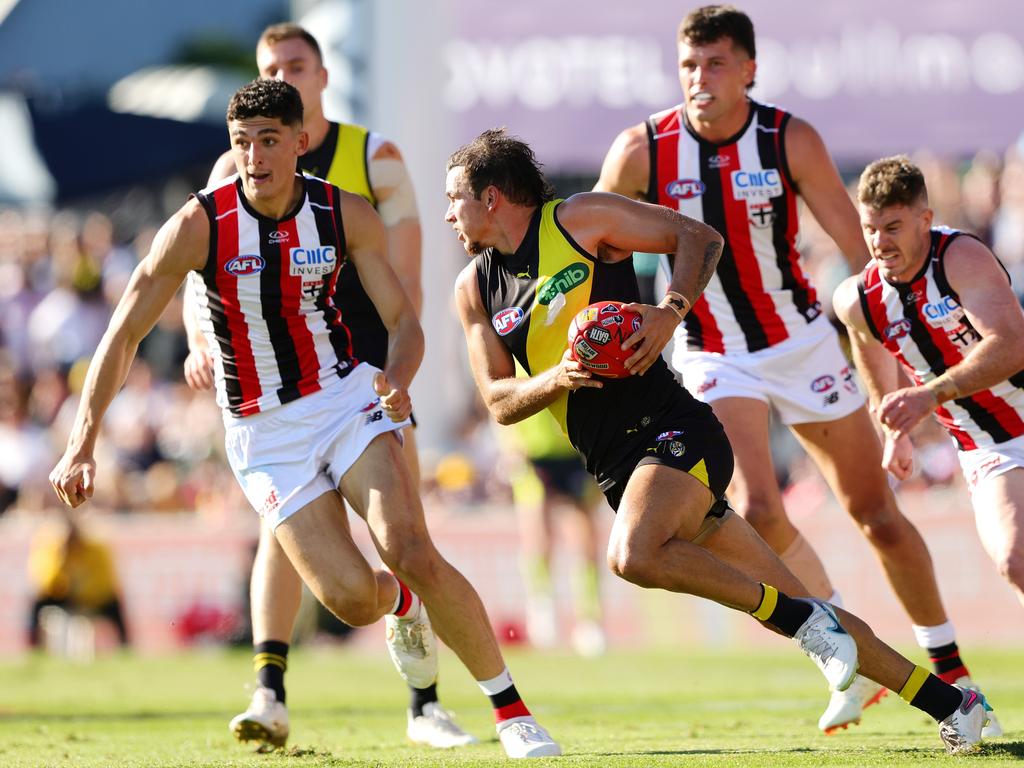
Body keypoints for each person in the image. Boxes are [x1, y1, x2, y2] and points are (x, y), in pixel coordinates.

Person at [50, 79, 560, 759]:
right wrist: (82, 442)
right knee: (350, 600)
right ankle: (405, 611)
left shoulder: (344, 212)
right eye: (241, 143)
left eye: (267, 140)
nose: (254, 157)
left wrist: (398, 383)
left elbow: (404, 322)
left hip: (345, 401)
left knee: (408, 547)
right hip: (263, 434)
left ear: (299, 142)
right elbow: (123, 334)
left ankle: (513, 712)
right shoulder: (199, 224)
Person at [448, 127, 990, 755]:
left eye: (454, 198)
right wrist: (558, 377)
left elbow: (698, 237)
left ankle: (804, 623)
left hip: (677, 431)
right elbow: (498, 401)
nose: (447, 213)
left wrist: (668, 311)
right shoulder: (474, 289)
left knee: (633, 556)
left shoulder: (580, 218)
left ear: (491, 198)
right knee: (799, 597)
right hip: (616, 465)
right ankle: (953, 703)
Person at [593, 4, 994, 735]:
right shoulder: (641, 148)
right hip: (712, 350)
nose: (700, 79)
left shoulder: (788, 139)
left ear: (749, 69)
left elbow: (862, 253)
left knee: (875, 512)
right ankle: (841, 641)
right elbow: (598, 248)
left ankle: (950, 665)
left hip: (802, 342)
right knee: (760, 508)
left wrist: (899, 365)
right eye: (689, 64)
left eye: (715, 64)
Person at [180, 23, 470, 751]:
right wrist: (198, 341)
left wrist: (392, 374)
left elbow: (405, 279)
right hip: (273, 382)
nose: (287, 73)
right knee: (281, 529)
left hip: (360, 369)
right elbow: (196, 266)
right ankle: (270, 691)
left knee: (404, 537)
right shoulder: (234, 165)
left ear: (321, 76)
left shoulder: (374, 157)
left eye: (297, 65)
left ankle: (424, 701)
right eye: (272, 66)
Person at [834, 155, 1024, 612]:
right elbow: (871, 352)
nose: (879, 243)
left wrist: (931, 393)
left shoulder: (961, 257)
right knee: (1015, 561)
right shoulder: (858, 300)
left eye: (893, 227)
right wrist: (894, 433)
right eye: (870, 228)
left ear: (925, 220)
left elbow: (1012, 345)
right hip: (988, 443)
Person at [506, 410, 606, 655]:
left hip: (575, 449)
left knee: (585, 538)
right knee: (538, 535)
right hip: (532, 450)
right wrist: (510, 446)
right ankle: (542, 611)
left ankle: (589, 620)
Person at [27, 510, 129, 650]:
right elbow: (46, 583)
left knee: (115, 604)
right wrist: (61, 562)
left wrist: (82, 594)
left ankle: (125, 645)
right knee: (37, 604)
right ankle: (33, 647)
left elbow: (105, 583)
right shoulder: (53, 550)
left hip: (93, 598)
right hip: (63, 595)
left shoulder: (96, 551)